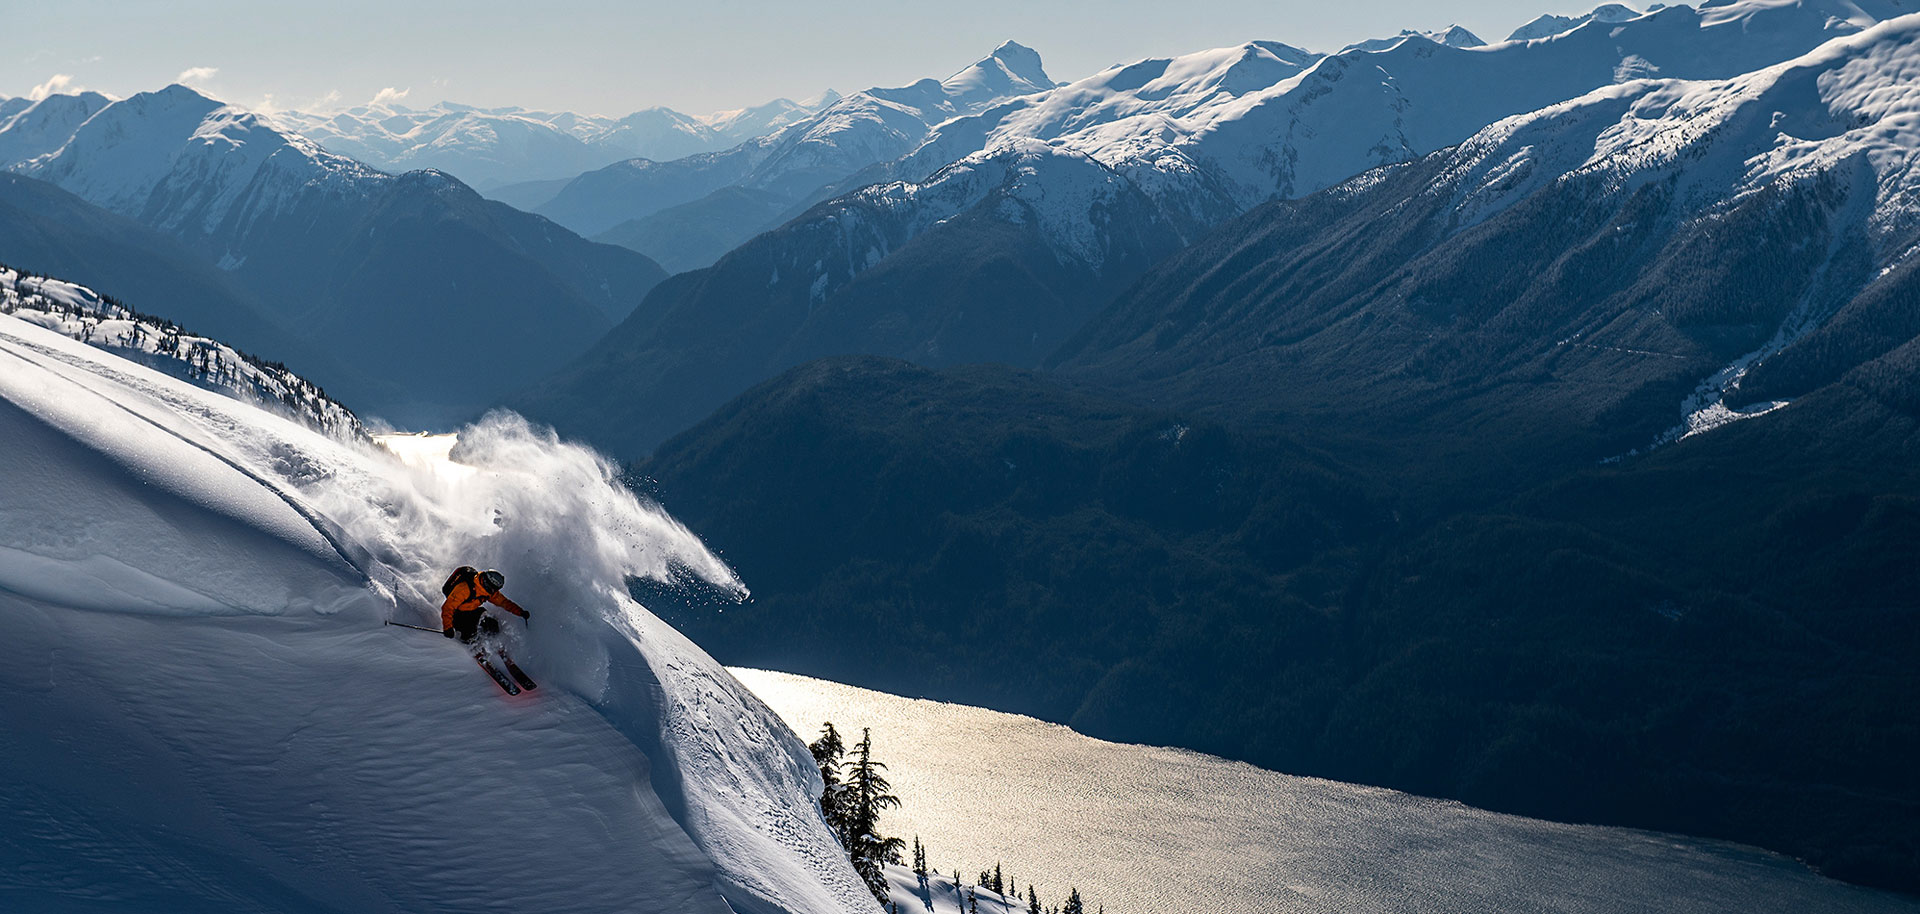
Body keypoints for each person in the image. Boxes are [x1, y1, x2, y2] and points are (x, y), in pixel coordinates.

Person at [440, 566, 530, 643]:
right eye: (493, 589)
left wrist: (520, 612)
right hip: (457, 615)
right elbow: (447, 608)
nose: (494, 592)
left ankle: (491, 644)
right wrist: (448, 628)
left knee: (492, 625)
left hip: (472, 611)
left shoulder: (489, 592)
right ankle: (469, 645)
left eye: (496, 589)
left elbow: (503, 602)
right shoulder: (464, 589)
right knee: (469, 633)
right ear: (488, 584)